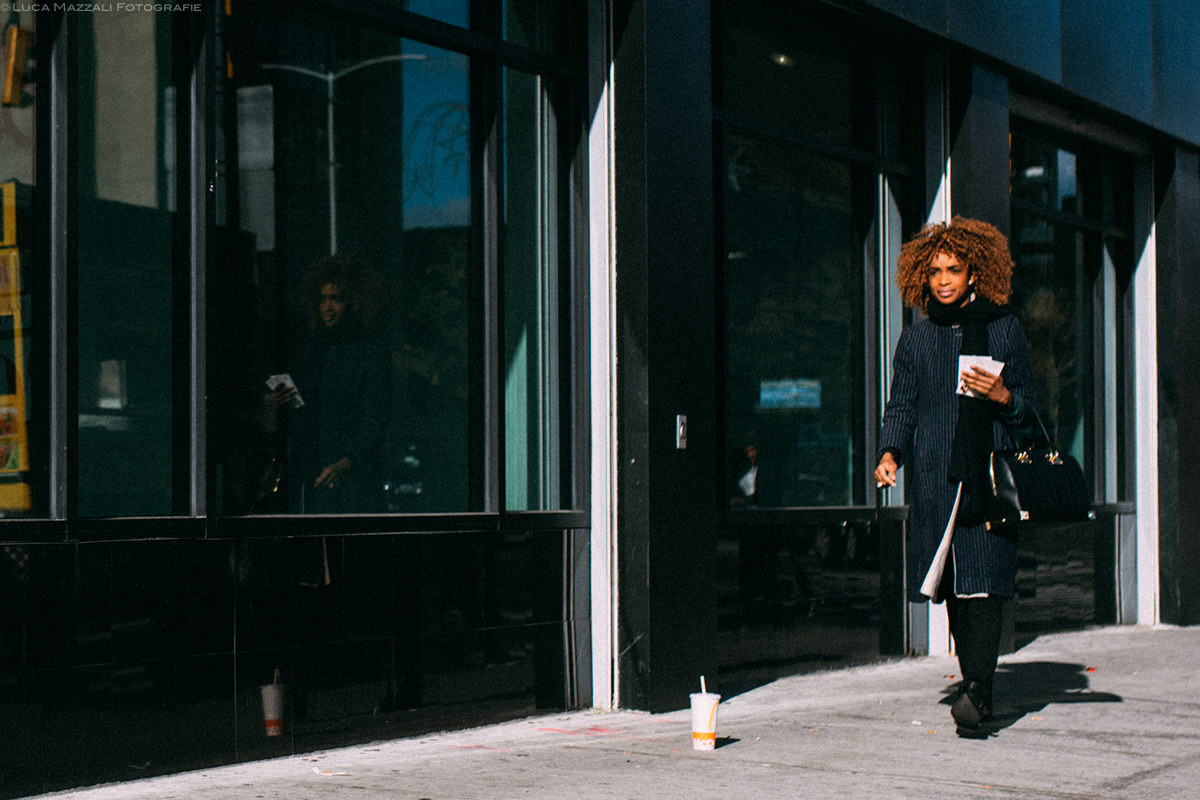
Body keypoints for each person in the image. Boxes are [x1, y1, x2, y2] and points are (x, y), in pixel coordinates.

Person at [873, 216, 1037, 735]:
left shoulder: (1004, 329)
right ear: (923, 275)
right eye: (936, 270)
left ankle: (979, 691)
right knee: (953, 590)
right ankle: (974, 682)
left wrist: (1003, 397)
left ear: (974, 274)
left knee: (984, 588)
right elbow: (902, 405)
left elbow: (1030, 412)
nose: (944, 280)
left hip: (988, 480)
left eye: (955, 269)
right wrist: (890, 452)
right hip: (938, 484)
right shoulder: (917, 341)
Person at [273, 255, 391, 513]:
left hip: (352, 479)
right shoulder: (315, 351)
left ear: (354, 302)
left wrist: (347, 462)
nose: (326, 306)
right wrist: (282, 405)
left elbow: (376, 418)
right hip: (311, 472)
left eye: (335, 298)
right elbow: (303, 418)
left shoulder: (370, 353)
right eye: (322, 298)